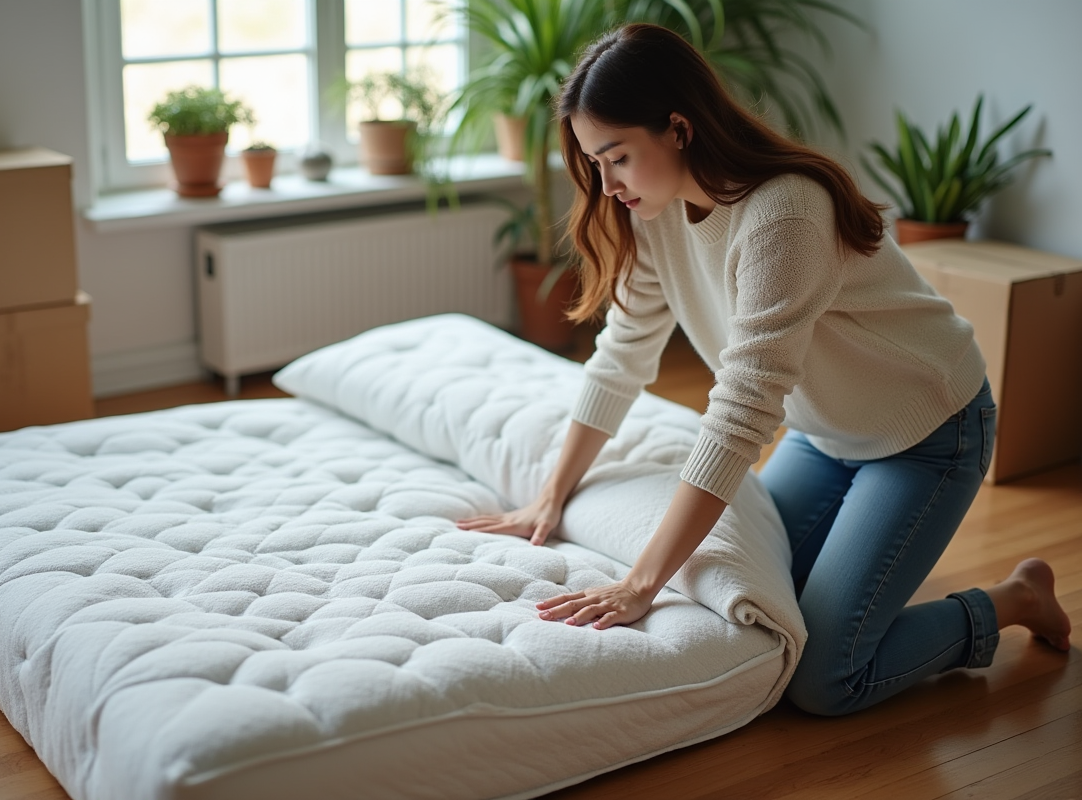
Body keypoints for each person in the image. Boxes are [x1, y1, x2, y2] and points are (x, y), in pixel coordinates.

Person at [456, 23, 1071, 716]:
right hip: (822, 434)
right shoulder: (654, 213)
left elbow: (742, 410)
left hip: (926, 434)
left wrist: (641, 584)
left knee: (825, 678)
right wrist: (548, 498)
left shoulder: (784, 212)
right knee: (763, 605)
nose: (607, 184)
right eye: (595, 163)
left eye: (617, 157)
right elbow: (621, 356)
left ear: (679, 129)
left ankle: (1015, 599)